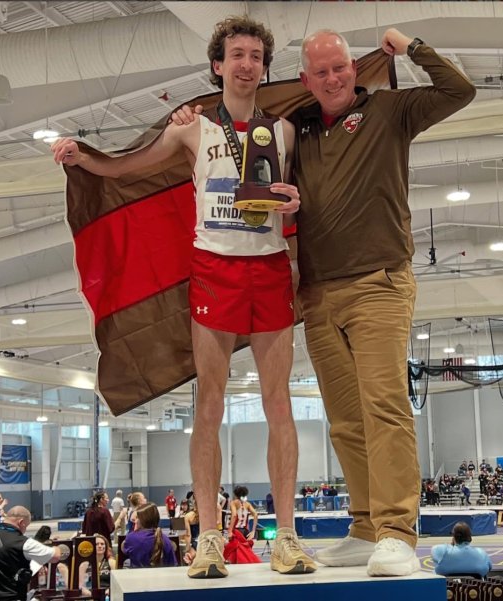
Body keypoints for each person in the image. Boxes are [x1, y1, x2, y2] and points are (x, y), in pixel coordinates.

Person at [52, 15, 313, 580]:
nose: (247, 65)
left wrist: (295, 204)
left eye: (256, 57)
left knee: (279, 405)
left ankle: (287, 537)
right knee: (209, 407)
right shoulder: (192, 129)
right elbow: (127, 169)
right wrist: (83, 157)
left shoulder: (286, 133)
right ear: (218, 65)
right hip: (213, 271)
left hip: (269, 270)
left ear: (265, 69)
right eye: (237, 55)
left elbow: (309, 196)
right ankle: (211, 538)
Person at [288, 27, 476, 577]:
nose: (332, 78)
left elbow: (458, 91)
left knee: (385, 408)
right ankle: (366, 526)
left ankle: (397, 531)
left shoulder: (391, 111)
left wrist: (413, 47)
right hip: (318, 295)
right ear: (306, 79)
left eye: (340, 66)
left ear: (355, 66)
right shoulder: (295, 128)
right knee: (345, 420)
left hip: (379, 285)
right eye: (320, 71)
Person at [0, 506, 62, 601]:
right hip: (11, 596)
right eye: (26, 526)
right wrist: (57, 548)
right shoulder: (22, 542)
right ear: (21, 523)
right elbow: (55, 556)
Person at [122, 502, 177, 568]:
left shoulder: (131, 538)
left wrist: (134, 531)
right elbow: (173, 565)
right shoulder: (166, 540)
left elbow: (124, 549)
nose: (135, 521)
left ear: (141, 520)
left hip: (137, 577)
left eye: (137, 518)